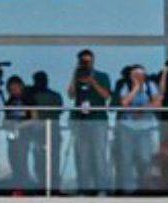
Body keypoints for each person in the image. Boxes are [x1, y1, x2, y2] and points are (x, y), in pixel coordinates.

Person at [67, 49, 111, 195]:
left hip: (98, 120)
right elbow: (71, 95)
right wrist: (75, 75)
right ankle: (84, 189)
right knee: (82, 156)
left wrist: (93, 81)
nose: (87, 64)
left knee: (99, 156)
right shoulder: (77, 76)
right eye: (84, 61)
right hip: (81, 121)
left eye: (89, 61)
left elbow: (106, 96)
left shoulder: (102, 76)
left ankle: (102, 189)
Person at [115, 65, 161, 195]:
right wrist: (135, 88)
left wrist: (142, 109)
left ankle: (143, 188)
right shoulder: (126, 86)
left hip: (145, 129)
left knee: (145, 159)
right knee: (126, 160)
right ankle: (128, 190)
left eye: (141, 75)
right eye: (135, 75)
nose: (139, 77)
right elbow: (124, 103)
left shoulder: (151, 86)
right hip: (127, 128)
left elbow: (158, 103)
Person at [27, 71, 64, 194]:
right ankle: (44, 186)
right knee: (40, 161)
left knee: (52, 161)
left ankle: (52, 188)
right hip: (39, 133)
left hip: (51, 131)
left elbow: (58, 110)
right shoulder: (33, 95)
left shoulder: (52, 96)